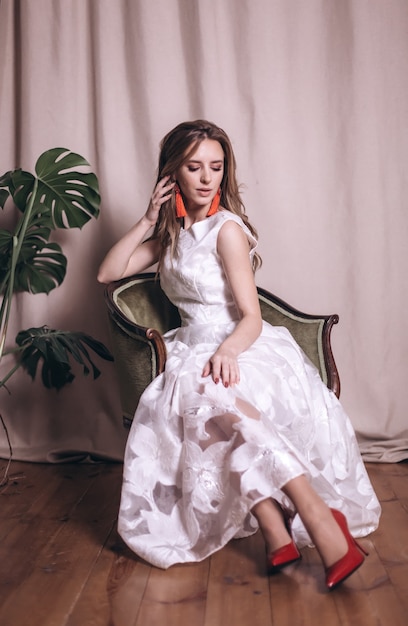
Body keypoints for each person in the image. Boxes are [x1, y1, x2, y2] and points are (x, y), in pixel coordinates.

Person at [97, 119, 380, 588]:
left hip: (241, 343)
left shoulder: (226, 230)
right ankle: (277, 531)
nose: (207, 178)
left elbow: (251, 314)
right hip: (189, 347)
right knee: (209, 408)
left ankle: (317, 518)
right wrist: (149, 219)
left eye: (216, 166)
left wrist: (227, 352)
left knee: (220, 401)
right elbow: (108, 272)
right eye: (194, 167)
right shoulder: (170, 237)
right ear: (172, 174)